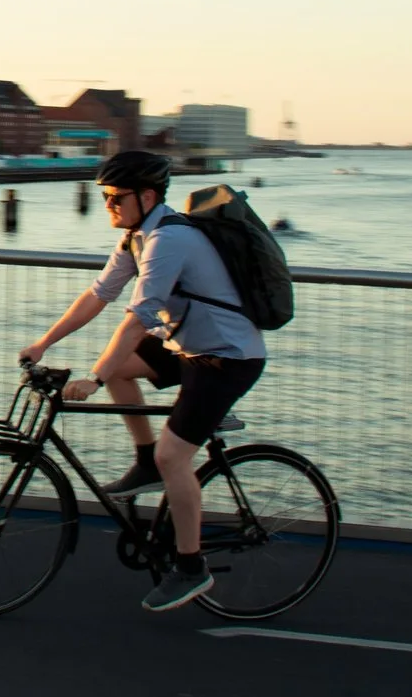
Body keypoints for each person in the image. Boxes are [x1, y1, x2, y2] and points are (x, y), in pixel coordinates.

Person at [17, 149, 266, 612]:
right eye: (105, 197)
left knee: (178, 456)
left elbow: (138, 318)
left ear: (147, 196)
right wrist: (44, 342)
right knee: (122, 370)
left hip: (226, 358)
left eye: (115, 197)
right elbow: (98, 295)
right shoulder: (138, 237)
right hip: (187, 346)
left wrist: (94, 377)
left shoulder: (169, 240)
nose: (108, 205)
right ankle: (146, 458)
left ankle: (192, 567)